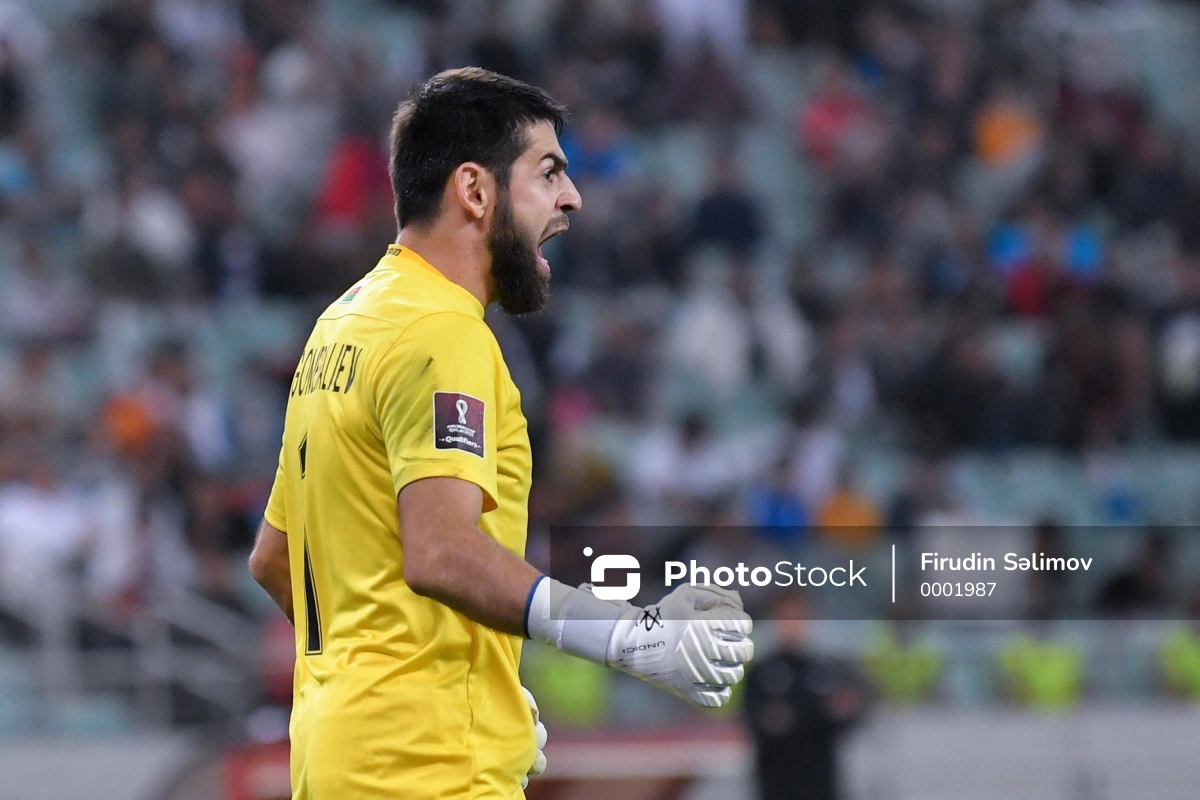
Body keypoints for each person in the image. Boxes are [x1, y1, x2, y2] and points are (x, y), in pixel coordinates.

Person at [246, 68, 754, 800]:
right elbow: (443, 552)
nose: (571, 198)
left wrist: (476, 690)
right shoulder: (442, 332)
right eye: (549, 173)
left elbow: (274, 558)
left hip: (343, 753)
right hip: (426, 769)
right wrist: (622, 635)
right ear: (476, 191)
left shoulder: (343, 324)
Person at [744, 592, 868, 800]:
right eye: (785, 617)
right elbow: (761, 721)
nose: (792, 624)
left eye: (798, 616)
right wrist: (814, 713)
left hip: (821, 781)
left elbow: (847, 713)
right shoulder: (762, 672)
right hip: (777, 782)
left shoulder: (826, 668)